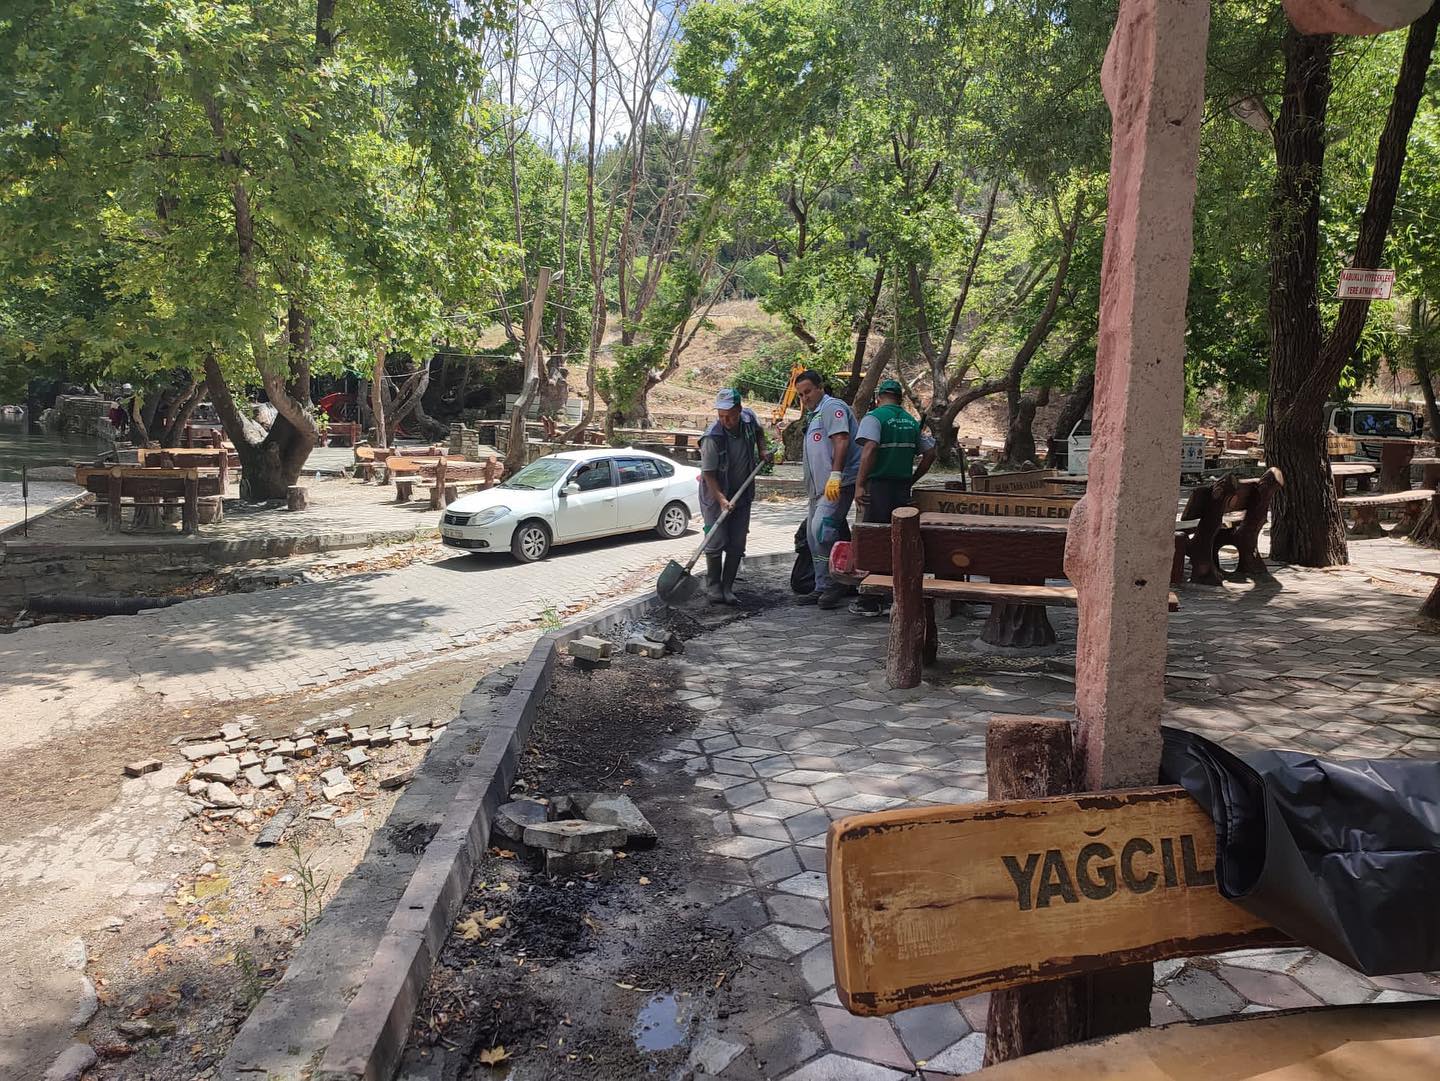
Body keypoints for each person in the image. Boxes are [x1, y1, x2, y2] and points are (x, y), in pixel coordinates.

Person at [851, 379, 937, 616]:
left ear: (879, 397)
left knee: (873, 539)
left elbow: (870, 449)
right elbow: (930, 453)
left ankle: (870, 600)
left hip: (877, 487)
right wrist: (912, 479)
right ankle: (894, 595)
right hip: (901, 490)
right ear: (900, 399)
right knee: (896, 540)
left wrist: (859, 485)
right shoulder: (911, 422)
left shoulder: (874, 418)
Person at [795, 369, 861, 609]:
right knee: (813, 537)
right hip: (817, 489)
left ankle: (838, 582)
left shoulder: (832, 407)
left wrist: (836, 475)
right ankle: (822, 584)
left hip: (837, 484)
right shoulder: (814, 415)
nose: (805, 398)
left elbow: (841, 439)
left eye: (808, 392)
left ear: (820, 388)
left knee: (822, 530)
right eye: (801, 395)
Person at [698, 388, 771, 604]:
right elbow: (709, 475)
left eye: (729, 415)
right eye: (721, 415)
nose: (725, 420)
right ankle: (714, 587)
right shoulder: (712, 438)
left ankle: (728, 587)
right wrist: (721, 500)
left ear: (739, 410)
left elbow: (759, 432)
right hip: (715, 496)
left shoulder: (748, 419)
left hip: (743, 494)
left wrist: (762, 450)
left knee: (737, 542)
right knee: (715, 539)